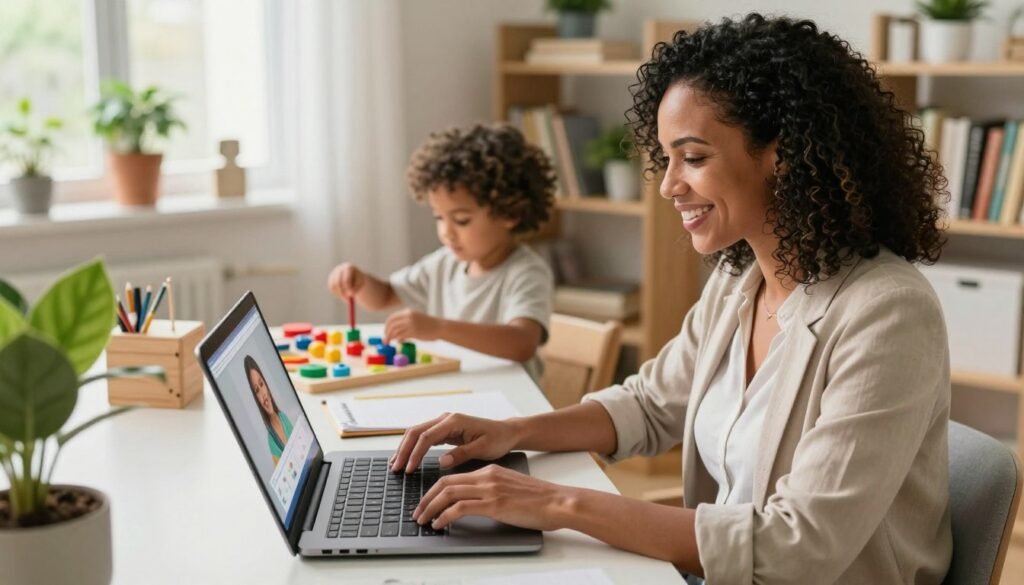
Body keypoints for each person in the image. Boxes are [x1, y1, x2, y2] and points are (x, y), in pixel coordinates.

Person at [388, 14, 952, 584]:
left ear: (782, 154)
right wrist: (515, 431)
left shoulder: (887, 313)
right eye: (667, 157)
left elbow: (797, 547)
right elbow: (652, 405)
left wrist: (558, 505)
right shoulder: (741, 283)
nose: (667, 184)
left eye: (695, 157)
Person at [327, 124, 556, 380]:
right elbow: (384, 297)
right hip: (459, 393)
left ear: (510, 213)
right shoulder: (445, 263)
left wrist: (439, 328)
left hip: (511, 406)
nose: (446, 232)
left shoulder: (526, 272)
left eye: (461, 220)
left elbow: (521, 343)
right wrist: (359, 282)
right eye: (439, 217)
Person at [244, 355, 293, 465]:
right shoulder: (271, 441)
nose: (263, 395)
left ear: (266, 385)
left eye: (261, 384)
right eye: (257, 390)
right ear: (256, 399)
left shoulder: (283, 417)